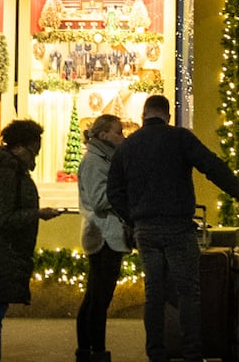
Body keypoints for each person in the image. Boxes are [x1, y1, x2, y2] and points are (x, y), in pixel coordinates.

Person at [109, 93, 239, 362]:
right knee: (188, 293)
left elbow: (114, 191)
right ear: (168, 116)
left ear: (143, 116)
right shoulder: (180, 138)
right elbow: (211, 165)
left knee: (154, 293)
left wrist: (132, 219)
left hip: (146, 230)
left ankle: (156, 354)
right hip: (179, 228)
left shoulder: (128, 147)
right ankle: (192, 354)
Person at [0, 118, 62, 362]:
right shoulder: (6, 173)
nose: (35, 158)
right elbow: (2, 217)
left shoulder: (8, 170)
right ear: (18, 147)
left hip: (1, 251)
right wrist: (38, 214)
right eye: (33, 150)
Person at [75, 112, 132, 362]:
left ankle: (88, 349)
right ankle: (95, 350)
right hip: (103, 236)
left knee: (96, 295)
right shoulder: (95, 162)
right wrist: (123, 191)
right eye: (118, 132)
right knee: (99, 297)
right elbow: (99, 200)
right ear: (103, 135)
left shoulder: (105, 159)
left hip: (107, 234)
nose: (122, 136)